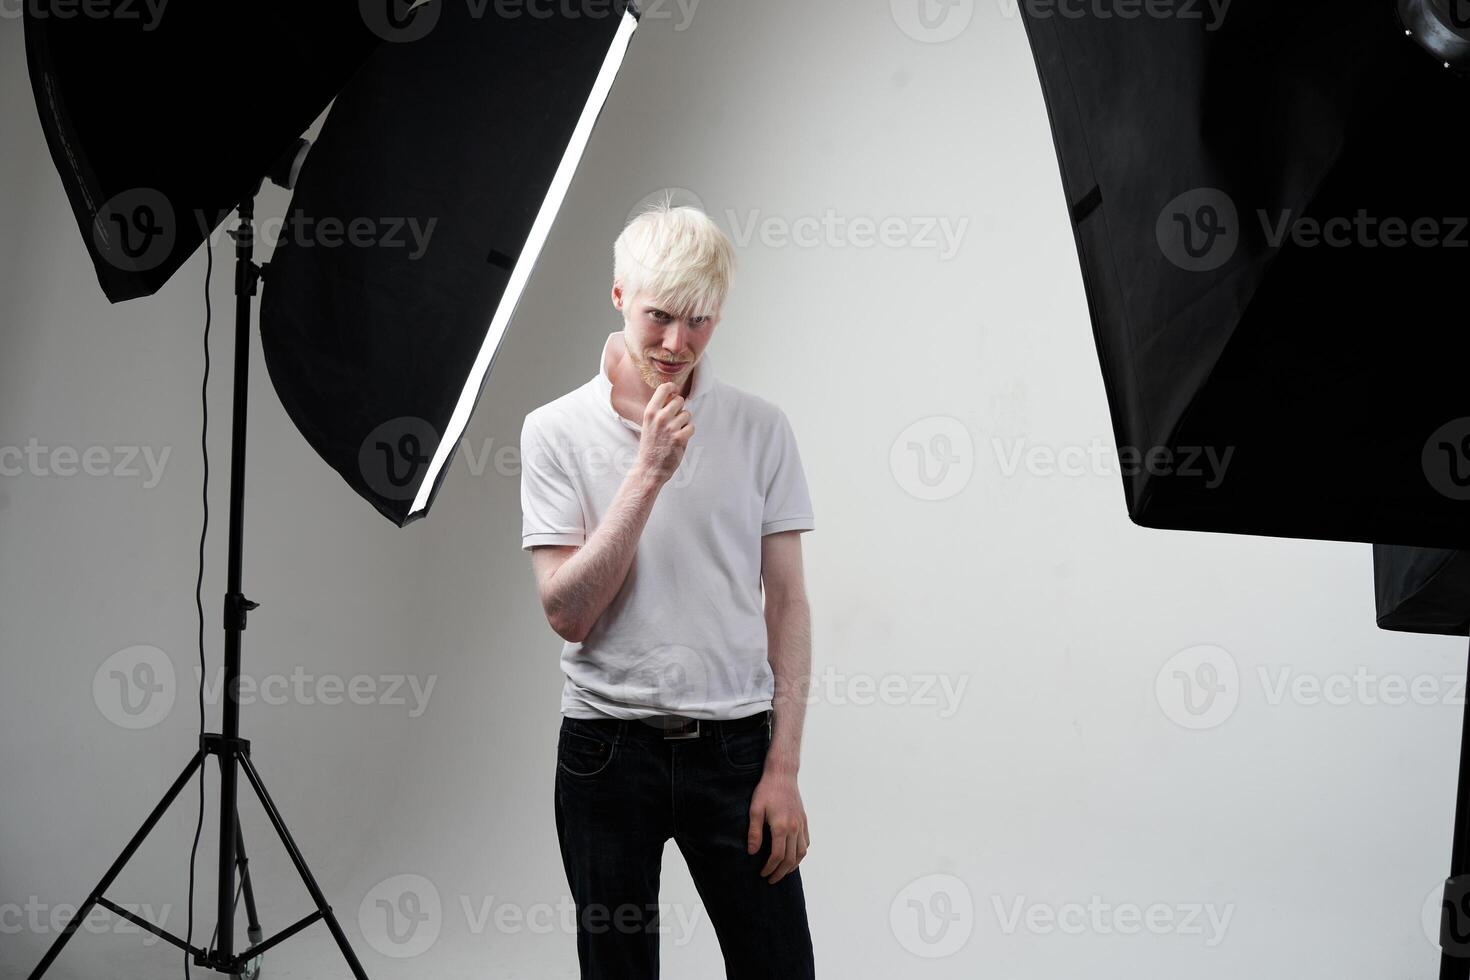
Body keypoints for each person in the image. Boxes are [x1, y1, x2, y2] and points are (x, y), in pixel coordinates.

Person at [518, 199, 817, 978]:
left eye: (701, 321)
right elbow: (566, 613)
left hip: (737, 749)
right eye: (659, 318)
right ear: (619, 296)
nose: (678, 345)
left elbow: (786, 602)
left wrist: (782, 769)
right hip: (607, 752)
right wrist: (648, 471)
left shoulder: (761, 428)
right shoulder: (554, 430)